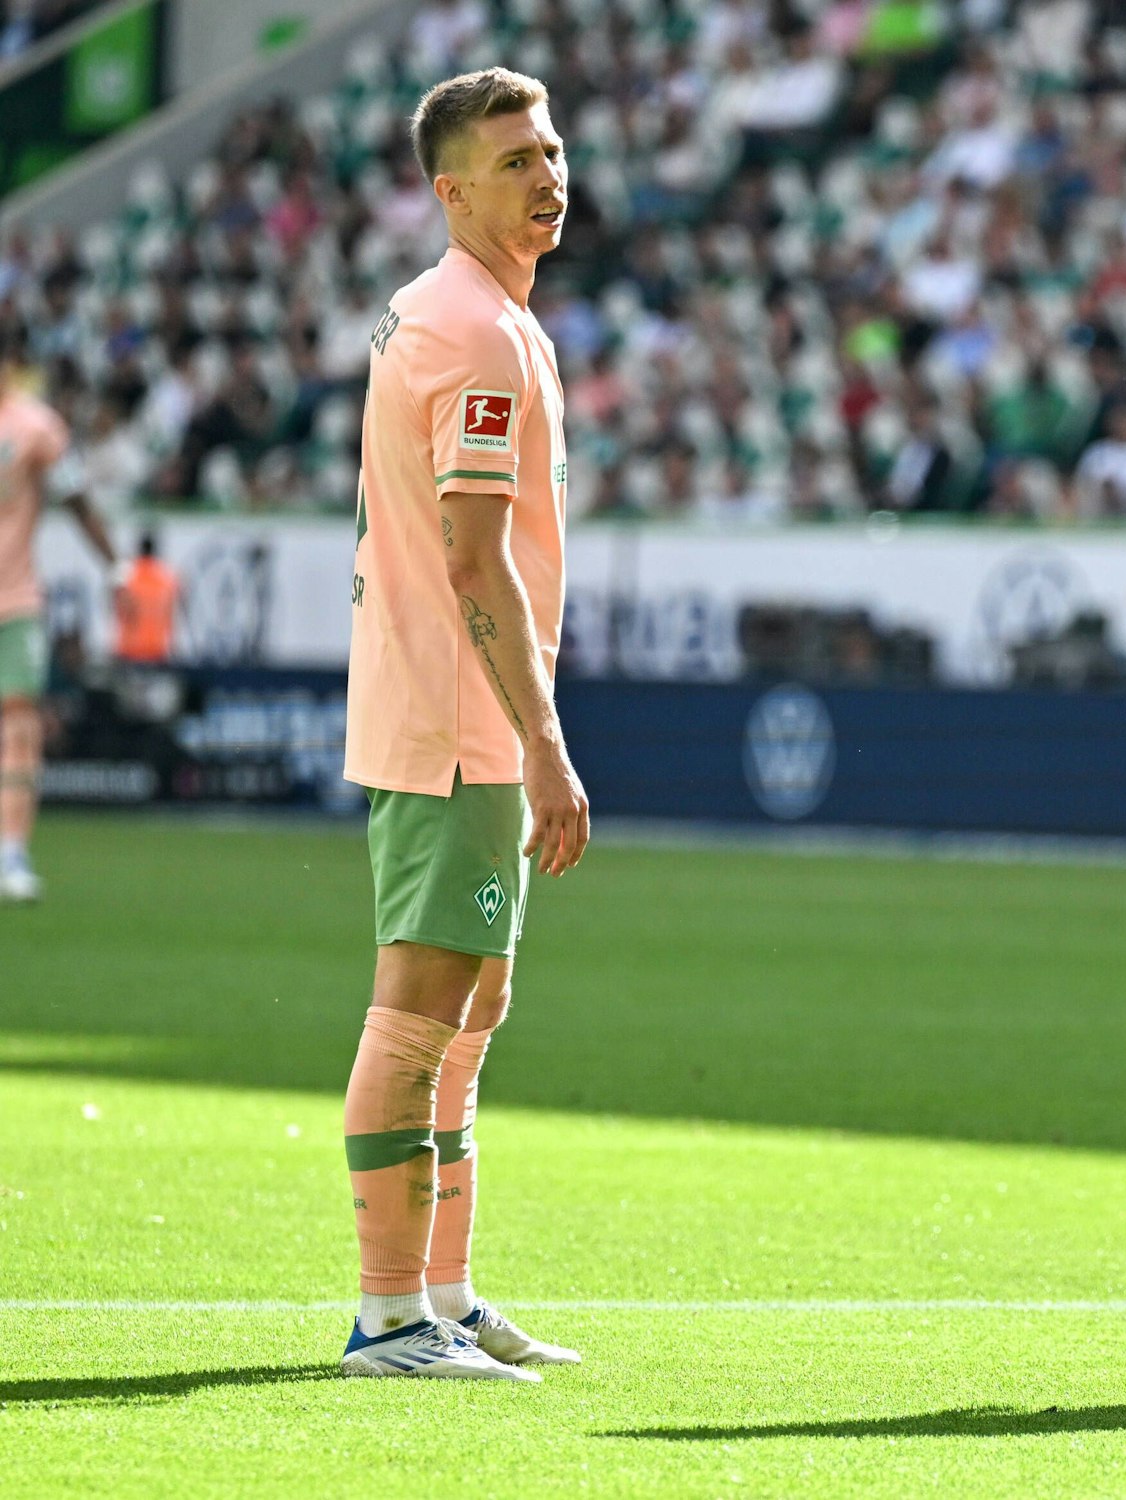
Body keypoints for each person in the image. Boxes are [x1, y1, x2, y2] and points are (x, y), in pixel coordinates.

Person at [338, 67, 590, 1381]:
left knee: (473, 1008)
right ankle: (390, 1319)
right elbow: (474, 559)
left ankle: (442, 1289)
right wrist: (544, 744)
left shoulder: (465, 314)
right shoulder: (480, 333)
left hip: (448, 709)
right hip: (458, 722)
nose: (547, 177)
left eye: (549, 151)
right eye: (513, 163)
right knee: (421, 1011)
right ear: (452, 191)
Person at [0, 334, 117, 902]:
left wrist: (114, 566)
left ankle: (11, 852)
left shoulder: (35, 426)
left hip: (15, 600)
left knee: (19, 726)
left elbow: (75, 497)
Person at [113, 531, 178, 666]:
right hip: (157, 649)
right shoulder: (167, 577)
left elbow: (116, 608)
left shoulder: (125, 575)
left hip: (129, 649)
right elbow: (171, 613)